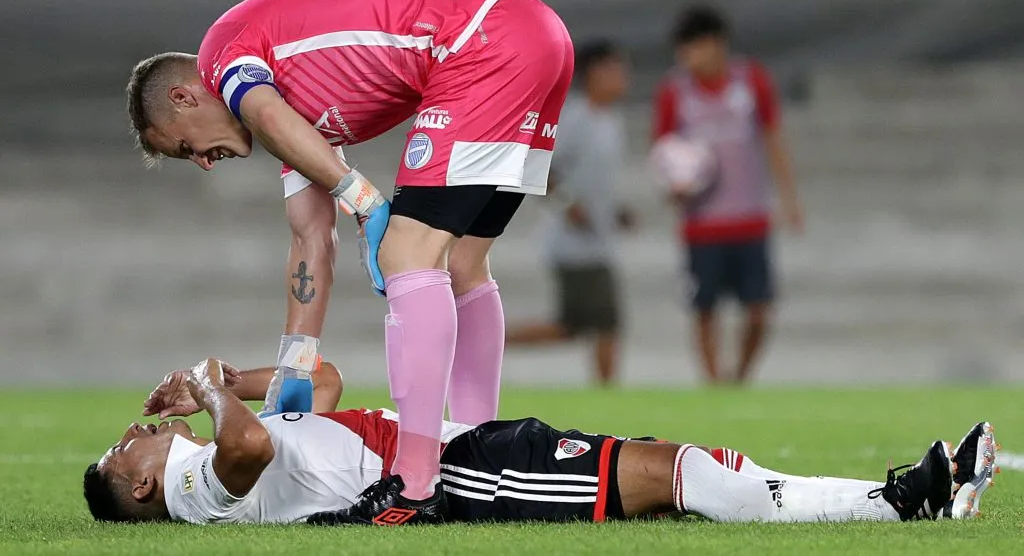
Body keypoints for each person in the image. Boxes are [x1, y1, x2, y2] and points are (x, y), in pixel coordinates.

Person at [124, 0, 574, 523]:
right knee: (461, 265)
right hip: (535, 34)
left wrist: (365, 201)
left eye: (183, 147)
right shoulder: (287, 103)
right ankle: (481, 450)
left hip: (480, 46)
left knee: (406, 254)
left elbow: (266, 114)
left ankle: (416, 486)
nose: (202, 163)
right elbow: (311, 236)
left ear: (184, 98)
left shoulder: (224, 61)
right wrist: (295, 364)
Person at [83, 358, 997, 526]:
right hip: (456, 482)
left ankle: (913, 491)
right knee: (677, 472)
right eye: (119, 454)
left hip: (458, 448)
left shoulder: (204, 447)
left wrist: (224, 380)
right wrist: (208, 391)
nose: (129, 437)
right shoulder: (195, 489)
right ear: (139, 489)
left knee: (686, 469)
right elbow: (247, 449)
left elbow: (317, 383)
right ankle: (899, 501)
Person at [652, 5, 803, 384]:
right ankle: (713, 382)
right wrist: (674, 188)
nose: (686, 57)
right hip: (702, 224)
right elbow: (663, 152)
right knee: (704, 308)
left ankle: (740, 377)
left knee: (759, 309)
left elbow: (773, 139)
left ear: (716, 43)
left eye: (693, 47)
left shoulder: (751, 82)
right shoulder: (675, 92)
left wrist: (790, 200)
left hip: (749, 216)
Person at [506, 40, 633, 384]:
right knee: (602, 324)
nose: (623, 76)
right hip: (572, 244)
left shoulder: (610, 121)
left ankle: (488, 340)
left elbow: (594, 181)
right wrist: (568, 205)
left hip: (598, 240)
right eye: (615, 69)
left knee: (576, 326)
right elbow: (539, 167)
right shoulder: (575, 118)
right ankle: (607, 392)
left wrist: (615, 211)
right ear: (594, 73)